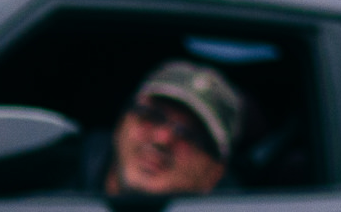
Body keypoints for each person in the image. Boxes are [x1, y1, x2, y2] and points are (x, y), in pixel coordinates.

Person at [96, 61, 243, 197]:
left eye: (189, 135)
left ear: (213, 174)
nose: (162, 139)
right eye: (152, 116)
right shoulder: (73, 169)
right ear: (121, 123)